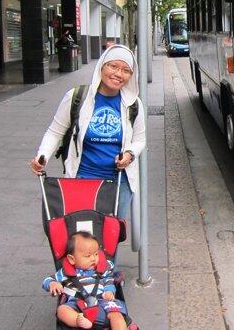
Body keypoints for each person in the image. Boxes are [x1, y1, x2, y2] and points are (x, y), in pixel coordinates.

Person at [30, 44, 146, 219]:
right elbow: (54, 132)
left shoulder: (134, 104)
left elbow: (140, 140)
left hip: (120, 183)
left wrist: (130, 154)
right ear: (102, 66)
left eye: (126, 70)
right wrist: (43, 155)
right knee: (81, 237)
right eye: (113, 66)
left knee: (109, 238)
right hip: (81, 180)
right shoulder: (77, 97)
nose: (118, 74)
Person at [43, 232, 128, 330]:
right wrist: (52, 283)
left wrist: (109, 291)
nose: (93, 258)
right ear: (72, 259)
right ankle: (78, 322)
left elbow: (109, 279)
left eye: (96, 254)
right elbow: (48, 280)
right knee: (62, 310)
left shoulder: (102, 269)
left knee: (117, 315)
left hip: (101, 302)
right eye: (88, 256)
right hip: (77, 306)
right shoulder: (65, 272)